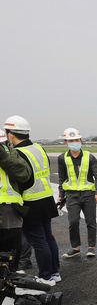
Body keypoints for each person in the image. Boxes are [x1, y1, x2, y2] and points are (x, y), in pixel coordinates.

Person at [4, 116, 61, 286]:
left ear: (10, 135)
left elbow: (21, 178)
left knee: (39, 242)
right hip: (46, 198)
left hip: (30, 202)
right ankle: (54, 272)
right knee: (48, 238)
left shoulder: (17, 153)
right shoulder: (39, 148)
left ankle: (45, 276)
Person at [0, 128, 32, 305]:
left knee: (6, 273)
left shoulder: (7, 150)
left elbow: (24, 174)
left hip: (8, 217)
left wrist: (3, 153)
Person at [57, 128, 97, 259]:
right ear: (66, 142)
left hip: (88, 194)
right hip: (72, 195)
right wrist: (61, 196)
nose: (74, 142)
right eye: (71, 141)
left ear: (81, 140)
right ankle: (75, 248)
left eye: (76, 140)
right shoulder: (62, 158)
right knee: (73, 221)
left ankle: (91, 247)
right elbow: (62, 178)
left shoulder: (90, 156)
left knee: (91, 221)